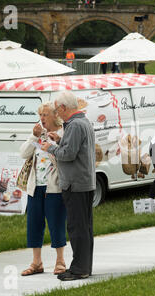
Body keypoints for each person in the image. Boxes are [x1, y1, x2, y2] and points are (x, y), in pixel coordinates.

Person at [42, 91, 96, 281]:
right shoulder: (84, 122)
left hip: (75, 183)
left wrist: (51, 148)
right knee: (85, 227)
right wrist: (59, 140)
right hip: (85, 182)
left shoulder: (74, 125)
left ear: (64, 108)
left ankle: (79, 268)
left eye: (57, 110)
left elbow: (68, 154)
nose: (57, 114)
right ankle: (84, 266)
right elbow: (75, 148)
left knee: (77, 227)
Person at [19, 102, 67, 277]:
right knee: (34, 223)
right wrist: (33, 137)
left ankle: (60, 261)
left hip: (54, 186)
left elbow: (67, 156)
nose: (42, 118)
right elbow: (23, 153)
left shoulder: (62, 133)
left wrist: (56, 143)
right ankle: (36, 262)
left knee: (56, 223)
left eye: (45, 115)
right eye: (40, 115)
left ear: (55, 116)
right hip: (35, 186)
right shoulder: (37, 134)